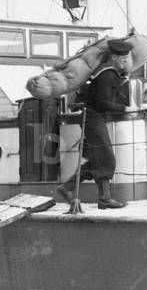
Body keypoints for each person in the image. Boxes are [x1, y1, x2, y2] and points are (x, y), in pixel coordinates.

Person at [55, 38, 133, 209]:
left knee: (97, 159)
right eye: (123, 58)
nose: (125, 61)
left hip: (90, 119)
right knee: (106, 157)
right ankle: (104, 198)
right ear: (113, 57)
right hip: (94, 119)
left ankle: (66, 188)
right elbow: (101, 103)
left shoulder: (104, 72)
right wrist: (125, 109)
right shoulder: (107, 75)